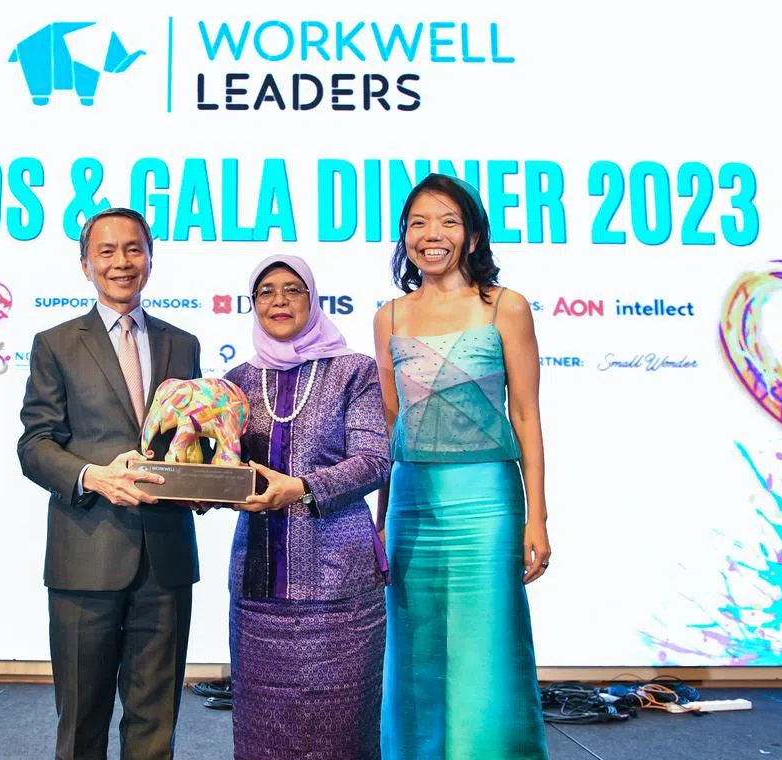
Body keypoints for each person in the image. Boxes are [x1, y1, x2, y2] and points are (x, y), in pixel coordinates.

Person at [374, 174, 551, 758]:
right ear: (404, 237)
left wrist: (537, 519)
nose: (433, 234)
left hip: (487, 501)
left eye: (449, 221)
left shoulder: (506, 306)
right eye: (419, 223)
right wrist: (379, 522)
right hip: (411, 500)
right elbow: (390, 428)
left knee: (488, 647)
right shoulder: (390, 316)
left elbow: (526, 415)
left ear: (472, 235)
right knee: (415, 650)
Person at [17, 207, 204, 760]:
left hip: (165, 558)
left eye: (133, 249)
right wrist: (91, 476)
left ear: (149, 257)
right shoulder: (55, 343)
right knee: (81, 721)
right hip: (86, 553)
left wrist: (205, 485)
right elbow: (35, 445)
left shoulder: (183, 343)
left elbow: (190, 443)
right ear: (85, 265)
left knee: (156, 721)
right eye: (107, 251)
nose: (122, 262)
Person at [223, 254, 391, 759]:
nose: (279, 300)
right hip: (259, 588)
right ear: (253, 305)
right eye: (266, 291)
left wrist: (301, 488)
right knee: (263, 730)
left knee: (341, 727)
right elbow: (224, 468)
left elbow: (375, 461)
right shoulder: (236, 381)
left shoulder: (353, 371)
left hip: (339, 584)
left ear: (312, 300)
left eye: (292, 290)